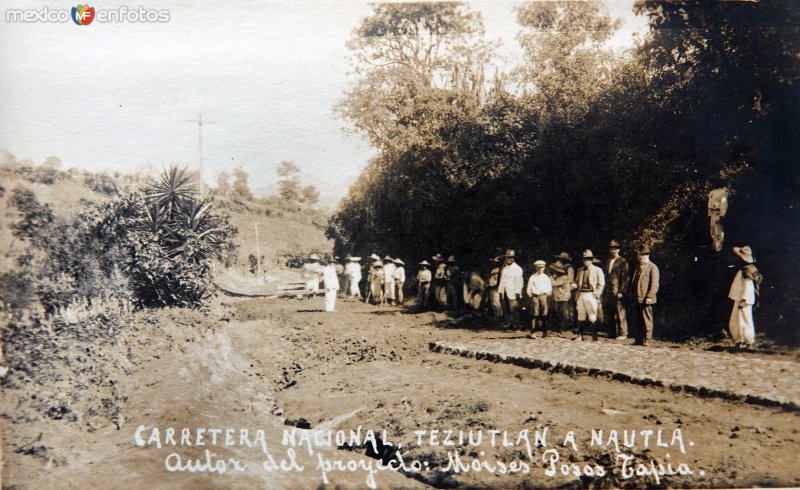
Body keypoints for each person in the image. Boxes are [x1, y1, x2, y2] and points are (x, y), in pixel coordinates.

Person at [728, 246, 763, 348]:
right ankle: (739, 340)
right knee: (736, 320)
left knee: (745, 319)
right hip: (739, 298)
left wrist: (744, 299)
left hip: (744, 299)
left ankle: (749, 342)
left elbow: (748, 287)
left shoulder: (747, 271)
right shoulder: (743, 269)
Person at [630, 246, 659, 346]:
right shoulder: (638, 267)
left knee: (647, 320)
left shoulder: (653, 267)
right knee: (637, 320)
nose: (641, 257)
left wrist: (650, 296)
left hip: (646, 299)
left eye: (643, 255)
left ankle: (647, 340)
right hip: (636, 298)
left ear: (647, 255)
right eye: (639, 255)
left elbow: (654, 284)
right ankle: (638, 340)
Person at [575, 250, 605, 341]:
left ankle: (595, 337)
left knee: (592, 315)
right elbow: (577, 282)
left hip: (591, 294)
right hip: (581, 294)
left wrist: (597, 294)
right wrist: (574, 286)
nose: (586, 261)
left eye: (588, 259)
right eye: (584, 259)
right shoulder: (580, 270)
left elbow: (601, 284)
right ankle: (580, 336)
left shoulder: (597, 270)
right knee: (581, 314)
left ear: (591, 260)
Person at [605, 240, 631, 340]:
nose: (613, 251)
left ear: (618, 250)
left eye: (615, 249)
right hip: (609, 291)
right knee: (610, 311)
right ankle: (612, 333)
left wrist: (622, 291)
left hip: (618, 291)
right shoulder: (608, 261)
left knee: (620, 311)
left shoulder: (623, 261)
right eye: (611, 249)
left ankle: (623, 333)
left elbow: (625, 278)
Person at [550, 252, 575, 332]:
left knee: (564, 310)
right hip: (557, 292)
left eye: (562, 259)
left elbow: (570, 280)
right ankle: (557, 326)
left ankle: (564, 327)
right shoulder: (556, 266)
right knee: (556, 309)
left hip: (565, 291)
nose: (560, 260)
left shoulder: (569, 268)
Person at [498, 249, 524, 328]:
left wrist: (518, 292)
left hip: (513, 291)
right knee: (506, 308)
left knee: (514, 309)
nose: (508, 259)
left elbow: (519, 281)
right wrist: (500, 290)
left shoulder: (517, 268)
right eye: (507, 257)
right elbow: (502, 280)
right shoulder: (505, 268)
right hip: (504, 290)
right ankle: (509, 323)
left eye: (510, 257)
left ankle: (516, 324)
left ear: (514, 258)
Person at [526, 260, 552, 337]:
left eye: (542, 268)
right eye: (538, 268)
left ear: (544, 268)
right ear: (536, 268)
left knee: (544, 313)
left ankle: (545, 332)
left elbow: (549, 288)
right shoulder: (533, 277)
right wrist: (532, 296)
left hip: (543, 296)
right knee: (535, 314)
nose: (540, 269)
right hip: (535, 296)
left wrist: (546, 294)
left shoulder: (546, 277)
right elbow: (528, 288)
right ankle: (533, 332)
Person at [708, 178, 729, 252]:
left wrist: (722, 214)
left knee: (718, 233)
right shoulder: (712, 192)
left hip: (718, 213)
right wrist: (709, 214)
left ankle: (719, 249)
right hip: (713, 213)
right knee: (713, 232)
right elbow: (709, 203)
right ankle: (714, 248)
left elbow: (724, 204)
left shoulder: (722, 192)